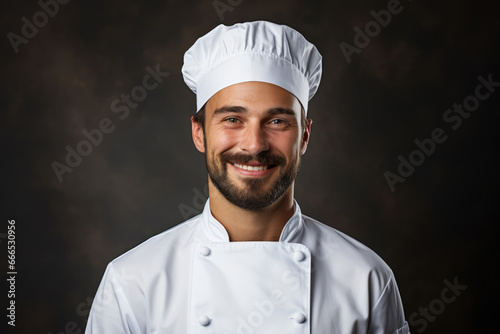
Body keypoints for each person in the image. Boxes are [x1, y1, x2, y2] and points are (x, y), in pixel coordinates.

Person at [85, 20, 410, 334]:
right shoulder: (132, 283)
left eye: (278, 121)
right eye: (232, 119)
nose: (254, 144)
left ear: (305, 136)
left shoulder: (366, 280)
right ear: (199, 134)